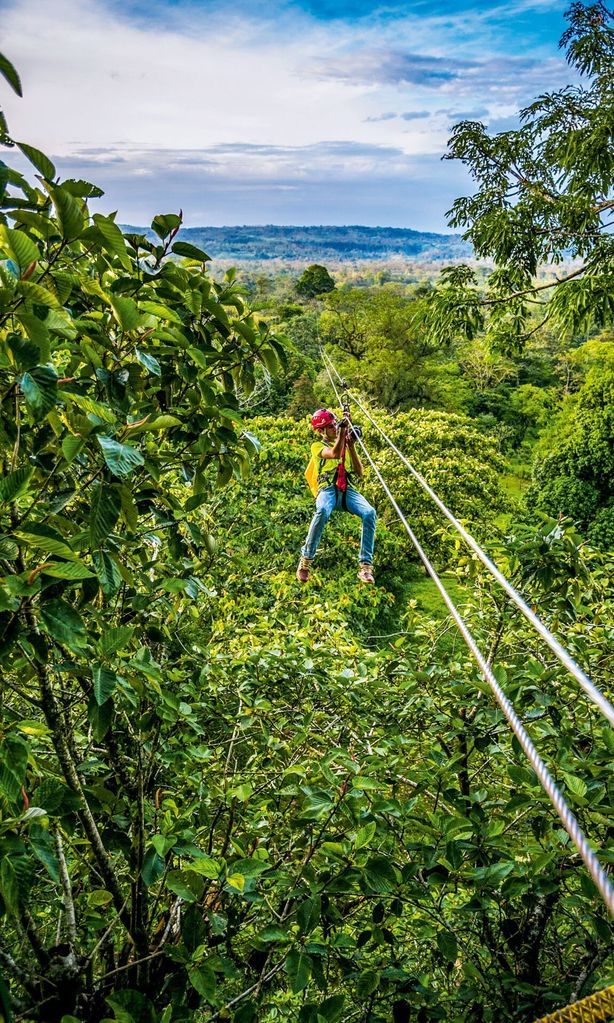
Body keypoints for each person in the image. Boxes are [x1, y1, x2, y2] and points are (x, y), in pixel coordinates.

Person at [296, 408, 376, 584]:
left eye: (334, 425)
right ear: (321, 431)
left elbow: (359, 472)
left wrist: (351, 445)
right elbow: (333, 453)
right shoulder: (317, 447)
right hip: (328, 490)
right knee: (323, 510)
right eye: (331, 427)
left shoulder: (344, 446)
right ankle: (305, 560)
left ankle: (365, 566)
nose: (334, 428)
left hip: (347, 490)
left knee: (369, 512)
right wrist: (342, 434)